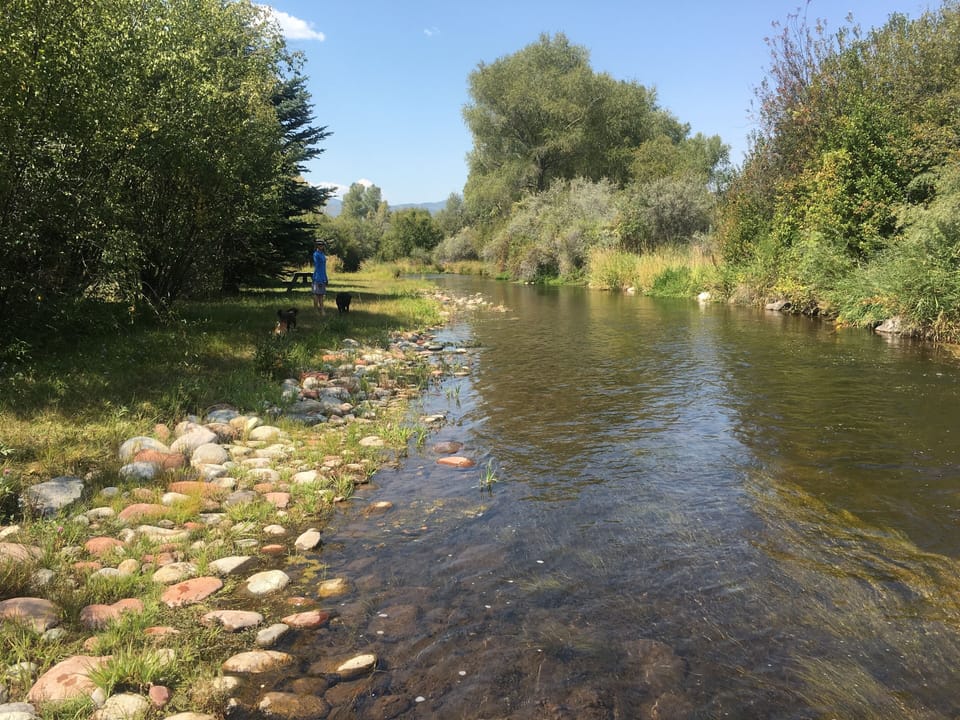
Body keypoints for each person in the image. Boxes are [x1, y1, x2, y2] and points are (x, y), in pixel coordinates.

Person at [312, 240, 329, 314]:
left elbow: (324, 267)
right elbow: (317, 266)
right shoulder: (316, 254)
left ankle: (322, 310)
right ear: (317, 246)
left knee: (321, 294)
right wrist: (316, 277)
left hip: (323, 276)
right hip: (318, 277)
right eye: (319, 245)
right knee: (317, 294)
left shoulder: (322, 254)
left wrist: (325, 277)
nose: (321, 246)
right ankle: (317, 310)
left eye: (322, 245)